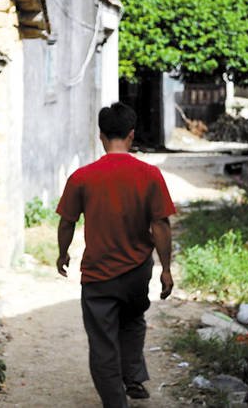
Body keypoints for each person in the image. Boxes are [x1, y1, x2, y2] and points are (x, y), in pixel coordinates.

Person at [56, 102, 176, 408]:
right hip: (138, 270)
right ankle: (133, 376)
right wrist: (165, 269)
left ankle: (115, 402)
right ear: (131, 135)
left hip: (99, 275)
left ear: (101, 136)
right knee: (133, 319)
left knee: (102, 342)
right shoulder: (150, 174)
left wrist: (63, 254)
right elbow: (161, 225)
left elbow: (67, 222)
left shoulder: (82, 177)